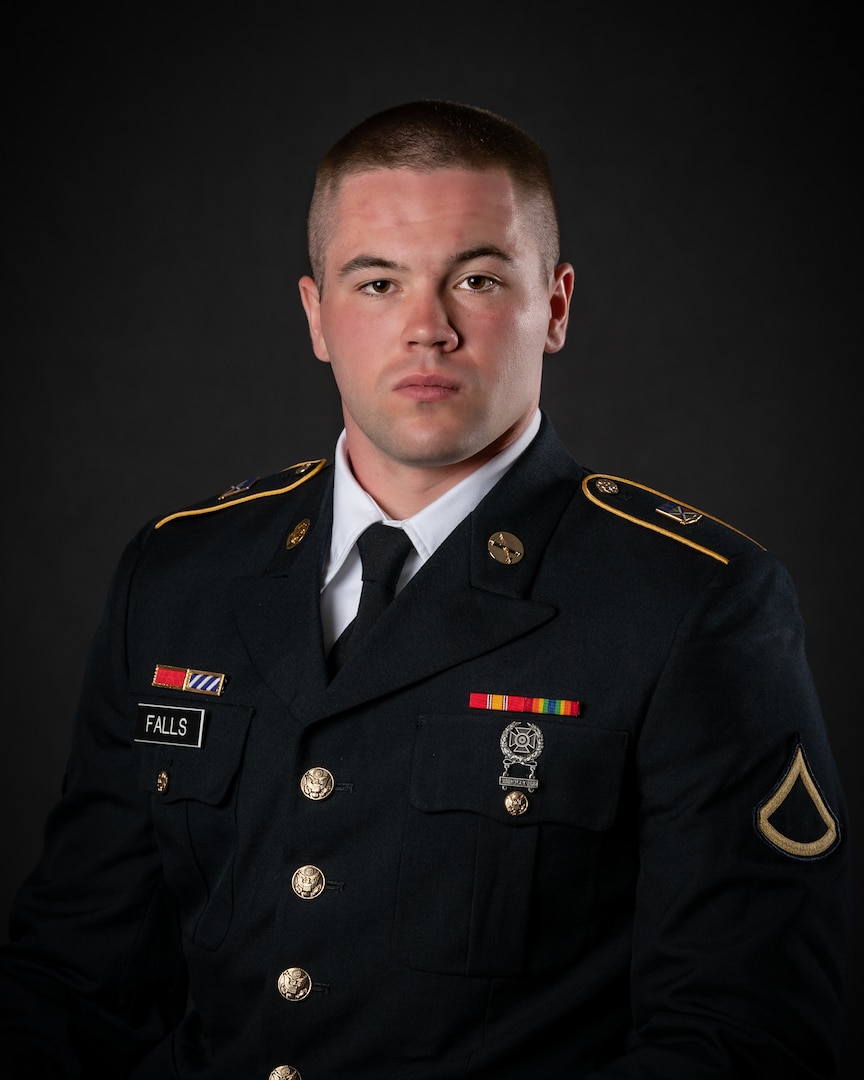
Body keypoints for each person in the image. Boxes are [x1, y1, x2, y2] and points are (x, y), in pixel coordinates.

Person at [0, 99, 851, 1079]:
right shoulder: (179, 574)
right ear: (317, 315)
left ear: (558, 306)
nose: (427, 329)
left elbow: (742, 1036)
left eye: (477, 279)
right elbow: (77, 981)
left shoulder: (691, 604)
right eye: (377, 281)